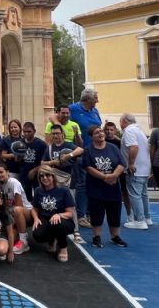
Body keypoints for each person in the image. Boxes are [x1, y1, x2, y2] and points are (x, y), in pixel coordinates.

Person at [83, 126, 127, 248]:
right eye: (97, 133)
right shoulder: (88, 150)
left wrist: (113, 175)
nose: (101, 134)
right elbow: (88, 167)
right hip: (96, 188)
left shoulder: (113, 148)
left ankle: (115, 237)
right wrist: (104, 177)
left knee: (114, 213)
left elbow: (121, 163)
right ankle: (96, 237)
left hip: (113, 188)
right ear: (92, 136)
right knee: (97, 213)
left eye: (101, 131)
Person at [41, 124, 85, 243]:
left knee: (71, 205)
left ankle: (76, 232)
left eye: (57, 133)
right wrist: (53, 162)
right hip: (54, 181)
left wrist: (68, 156)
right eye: (53, 133)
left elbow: (80, 149)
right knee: (55, 205)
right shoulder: (50, 148)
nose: (55, 135)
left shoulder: (68, 145)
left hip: (68, 180)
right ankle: (56, 231)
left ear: (62, 134)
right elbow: (42, 163)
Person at [69, 89, 102, 227]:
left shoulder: (95, 111)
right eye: (95, 97)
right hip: (81, 152)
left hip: (95, 152)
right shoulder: (73, 109)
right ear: (87, 99)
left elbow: (99, 126)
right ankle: (81, 215)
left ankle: (89, 213)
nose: (97, 100)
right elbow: (57, 119)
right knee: (82, 184)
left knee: (93, 183)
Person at [31, 165, 76, 262]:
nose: (45, 178)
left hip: (63, 220)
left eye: (47, 175)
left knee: (58, 224)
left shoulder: (63, 190)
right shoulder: (38, 190)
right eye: (42, 176)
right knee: (38, 234)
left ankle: (63, 248)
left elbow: (70, 213)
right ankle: (51, 240)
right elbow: (34, 208)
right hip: (45, 218)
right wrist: (35, 218)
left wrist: (59, 215)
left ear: (53, 176)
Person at [119, 113, 152, 229]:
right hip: (144, 167)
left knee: (135, 195)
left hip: (135, 168)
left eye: (120, 121)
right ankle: (147, 218)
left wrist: (131, 163)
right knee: (143, 194)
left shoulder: (129, 131)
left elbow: (133, 147)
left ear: (123, 121)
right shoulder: (140, 131)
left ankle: (139, 220)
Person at [0, 163, 33, 254]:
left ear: (7, 172)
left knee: (17, 210)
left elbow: (19, 205)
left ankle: (24, 242)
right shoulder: (2, 186)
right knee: (10, 239)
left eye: (1, 172)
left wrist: (11, 223)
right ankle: (21, 237)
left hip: (27, 213)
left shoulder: (13, 182)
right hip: (14, 216)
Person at [18, 122, 47, 201]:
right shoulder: (19, 143)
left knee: (39, 197)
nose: (26, 134)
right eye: (24, 132)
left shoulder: (41, 144)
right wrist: (18, 155)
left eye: (29, 131)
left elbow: (45, 162)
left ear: (34, 131)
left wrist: (34, 170)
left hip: (38, 175)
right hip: (24, 174)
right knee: (26, 198)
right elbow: (17, 160)